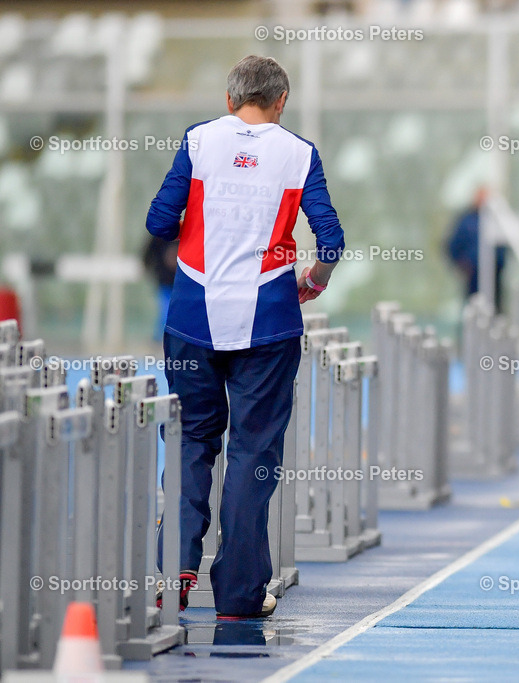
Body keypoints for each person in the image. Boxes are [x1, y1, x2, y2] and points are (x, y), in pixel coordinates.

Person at [146, 55, 344, 619]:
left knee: (191, 443)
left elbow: (159, 223)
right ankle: (238, 595)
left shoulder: (199, 140)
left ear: (230, 99)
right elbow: (330, 241)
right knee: (254, 453)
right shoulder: (299, 152)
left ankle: (175, 572)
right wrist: (313, 279)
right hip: (269, 322)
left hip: (192, 318)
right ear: (281, 102)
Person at [446, 187, 507, 313]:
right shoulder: (466, 221)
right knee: (472, 309)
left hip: (494, 275)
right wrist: (464, 265)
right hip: (473, 275)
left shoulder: (497, 220)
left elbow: (504, 247)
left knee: (494, 310)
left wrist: (499, 264)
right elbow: (452, 246)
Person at [142, 234, 177, 340]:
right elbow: (147, 257)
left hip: (181, 283)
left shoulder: (187, 232)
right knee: (166, 313)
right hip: (166, 281)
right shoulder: (158, 236)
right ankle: (162, 339)